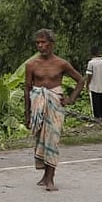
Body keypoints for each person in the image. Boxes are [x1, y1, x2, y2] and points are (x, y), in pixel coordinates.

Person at [24, 29, 83, 191]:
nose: (40, 46)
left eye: (43, 42)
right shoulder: (31, 65)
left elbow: (80, 80)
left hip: (55, 104)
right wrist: (27, 114)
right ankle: (44, 175)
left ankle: (50, 178)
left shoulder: (61, 63)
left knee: (52, 140)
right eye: (38, 43)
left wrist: (71, 99)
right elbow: (27, 89)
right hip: (38, 105)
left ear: (51, 44)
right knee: (40, 139)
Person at [84, 46, 102, 121]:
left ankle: (97, 118)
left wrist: (87, 84)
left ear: (91, 54)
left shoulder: (91, 63)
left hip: (94, 86)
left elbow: (89, 75)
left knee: (95, 103)